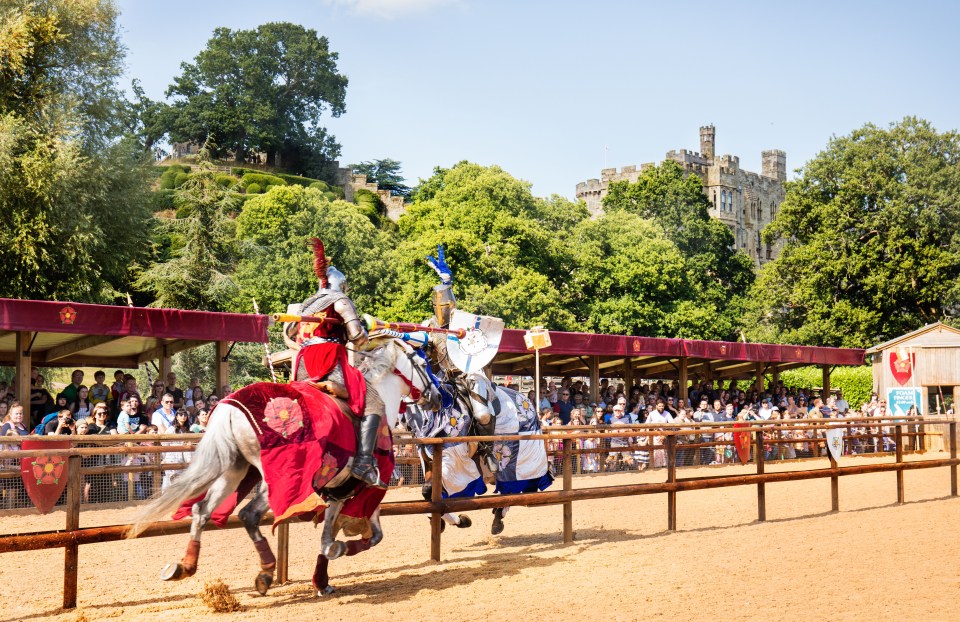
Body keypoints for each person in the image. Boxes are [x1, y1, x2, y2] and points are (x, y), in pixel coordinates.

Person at [282, 237, 383, 488]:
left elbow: (290, 335)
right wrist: (366, 329)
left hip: (303, 364)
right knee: (374, 401)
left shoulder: (306, 304)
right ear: (341, 285)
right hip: (328, 363)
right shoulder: (340, 300)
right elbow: (358, 339)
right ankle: (363, 462)